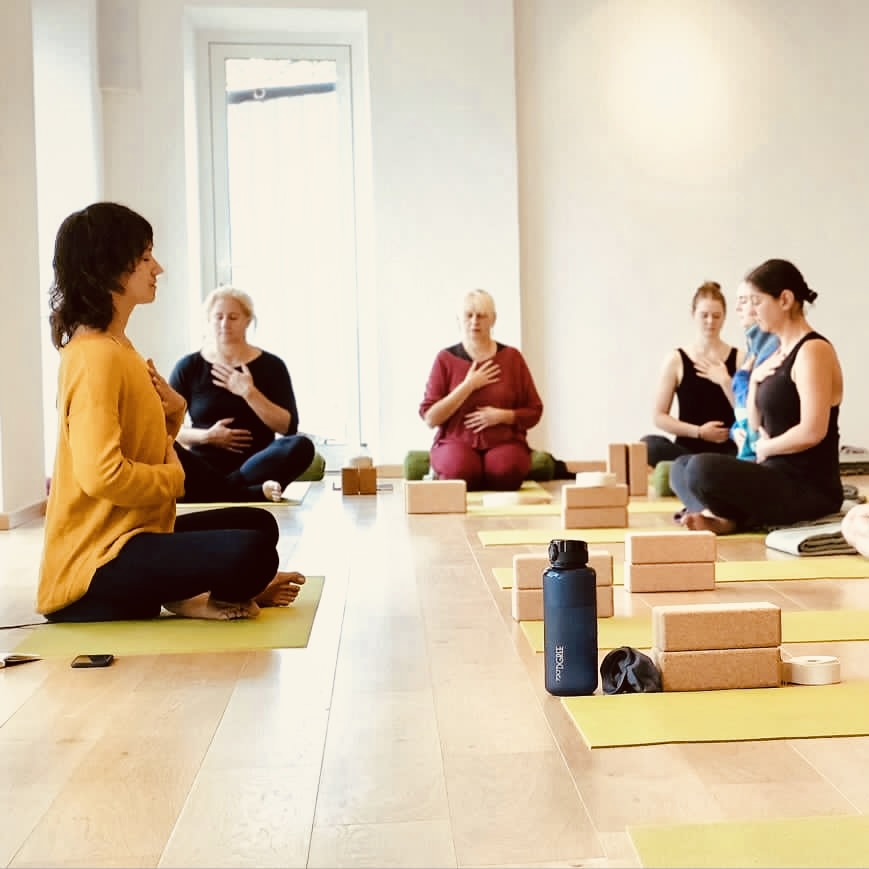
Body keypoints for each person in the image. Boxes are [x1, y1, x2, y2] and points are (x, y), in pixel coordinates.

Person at [38, 202, 305, 622]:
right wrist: (175, 478)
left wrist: (175, 412)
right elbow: (101, 475)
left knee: (260, 527)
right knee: (251, 553)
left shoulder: (119, 348)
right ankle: (194, 597)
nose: (157, 268)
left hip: (138, 532)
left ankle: (189, 590)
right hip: (95, 566)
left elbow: (145, 443)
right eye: (145, 257)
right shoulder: (94, 358)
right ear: (110, 267)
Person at [670, 259, 844, 534]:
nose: (750, 310)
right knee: (680, 467)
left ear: (785, 299)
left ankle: (729, 518)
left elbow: (813, 430)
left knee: (700, 470)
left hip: (807, 486)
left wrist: (766, 448)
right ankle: (728, 517)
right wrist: (753, 385)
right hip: (771, 471)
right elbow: (754, 425)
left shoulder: (813, 350)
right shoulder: (773, 354)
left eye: (757, 301)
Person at [168, 286, 315, 500]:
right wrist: (207, 436)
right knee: (163, 450)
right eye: (218, 317)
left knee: (302, 446)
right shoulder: (188, 367)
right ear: (209, 321)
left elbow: (288, 428)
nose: (224, 324)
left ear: (247, 320)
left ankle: (228, 489)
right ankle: (245, 492)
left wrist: (249, 392)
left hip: (256, 465)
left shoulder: (272, 366)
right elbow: (167, 430)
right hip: (203, 465)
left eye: (233, 317)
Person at [419, 288, 543, 491]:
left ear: (493, 320)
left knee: (506, 471)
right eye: (469, 315)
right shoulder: (445, 359)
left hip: (504, 442)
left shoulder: (512, 358)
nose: (475, 321)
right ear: (458, 319)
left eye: (481, 316)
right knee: (462, 473)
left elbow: (534, 411)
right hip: (455, 443)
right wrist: (468, 386)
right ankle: (444, 470)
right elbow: (431, 418)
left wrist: (504, 416)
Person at [641, 281, 743, 468]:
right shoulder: (676, 359)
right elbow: (659, 416)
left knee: (737, 461)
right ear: (693, 315)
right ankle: (695, 471)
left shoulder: (740, 359)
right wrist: (699, 432)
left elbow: (749, 415)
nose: (710, 322)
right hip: (686, 451)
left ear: (724, 317)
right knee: (648, 445)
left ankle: (700, 473)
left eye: (716, 316)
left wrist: (725, 381)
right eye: (704, 315)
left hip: (727, 452)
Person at [730, 281, 780, 460]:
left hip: (764, 456)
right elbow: (743, 410)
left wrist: (740, 378)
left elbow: (758, 414)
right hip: (749, 448)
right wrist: (735, 431)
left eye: (744, 301)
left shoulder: (774, 349)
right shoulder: (753, 350)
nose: (737, 308)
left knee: (695, 468)